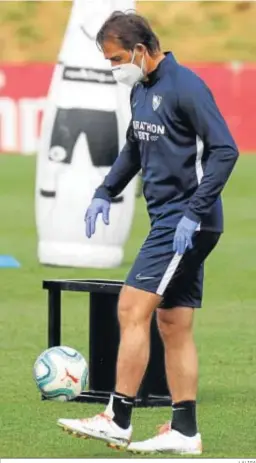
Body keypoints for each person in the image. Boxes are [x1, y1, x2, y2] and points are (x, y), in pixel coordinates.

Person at [58, 10, 239, 454]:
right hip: (170, 220)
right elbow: (135, 147)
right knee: (172, 322)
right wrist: (105, 190)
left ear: (142, 49)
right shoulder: (140, 89)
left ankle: (117, 417)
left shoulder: (187, 88)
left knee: (130, 307)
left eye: (118, 59)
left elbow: (225, 150)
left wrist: (194, 213)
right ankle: (185, 430)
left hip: (186, 221)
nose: (115, 68)